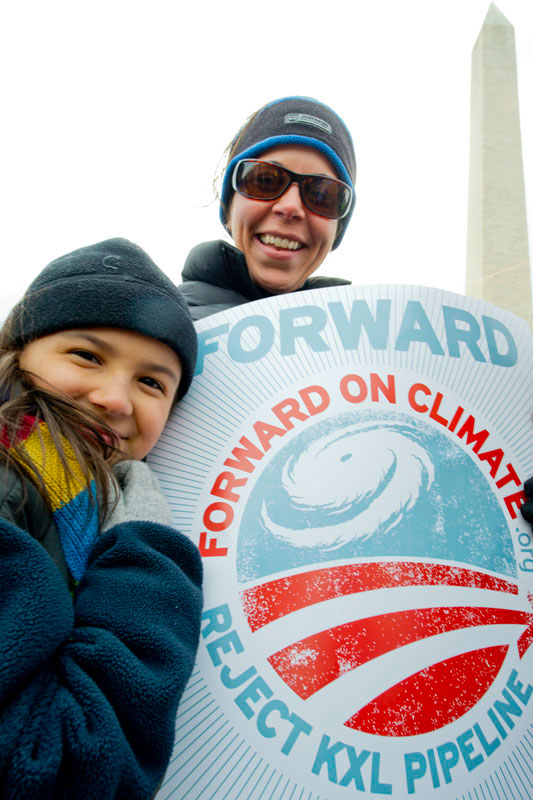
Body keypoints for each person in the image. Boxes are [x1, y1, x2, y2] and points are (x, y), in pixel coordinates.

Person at [0, 238, 203, 799]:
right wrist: (149, 554)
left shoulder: (83, 502)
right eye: (87, 356)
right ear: (18, 353)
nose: (116, 399)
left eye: (152, 382)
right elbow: (58, 762)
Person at [180, 95, 357, 320]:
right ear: (228, 209)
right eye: (264, 181)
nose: (290, 207)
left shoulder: (366, 346)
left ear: (337, 230)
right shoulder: (154, 335)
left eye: (322, 194)